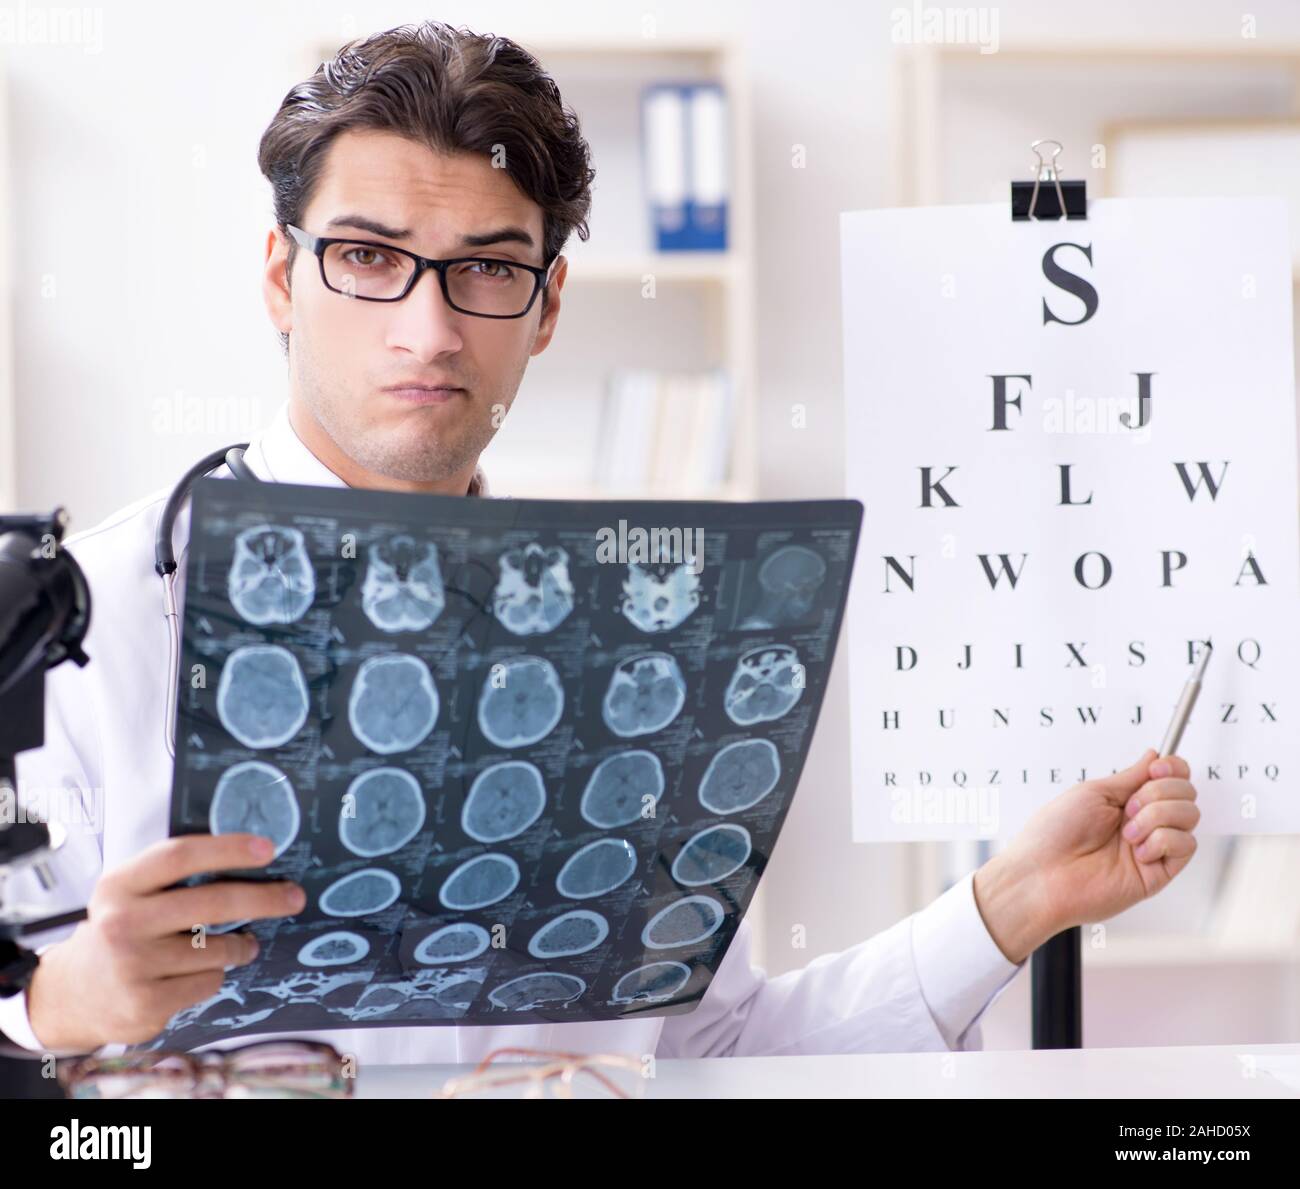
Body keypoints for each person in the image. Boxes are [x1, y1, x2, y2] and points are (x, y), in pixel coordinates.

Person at [0, 21, 1198, 1065]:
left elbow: (718, 1049)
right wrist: (59, 1001)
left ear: (549, 306)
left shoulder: (635, 635)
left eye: (485, 270)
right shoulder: (82, 620)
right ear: (282, 275)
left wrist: (1009, 902)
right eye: (369, 258)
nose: (428, 329)